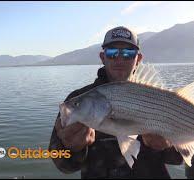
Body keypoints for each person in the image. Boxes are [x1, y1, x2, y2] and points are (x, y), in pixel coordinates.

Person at [48, 26, 184, 179]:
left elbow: (179, 159)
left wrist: (167, 146)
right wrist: (73, 148)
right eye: (112, 53)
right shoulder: (78, 99)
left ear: (138, 59)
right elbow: (63, 166)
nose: (119, 59)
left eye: (128, 53)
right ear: (102, 57)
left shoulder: (162, 98)